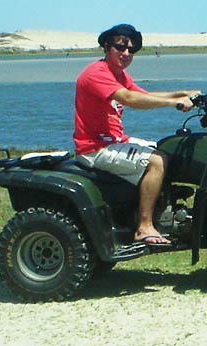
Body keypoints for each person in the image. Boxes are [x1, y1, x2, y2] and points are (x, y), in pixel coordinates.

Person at [73, 23, 198, 245]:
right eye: (120, 47)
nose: (126, 53)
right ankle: (144, 226)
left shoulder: (119, 74)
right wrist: (173, 103)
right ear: (106, 46)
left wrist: (182, 92)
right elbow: (130, 99)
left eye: (132, 49)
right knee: (156, 162)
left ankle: (165, 212)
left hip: (114, 141)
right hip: (95, 148)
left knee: (165, 148)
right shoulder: (97, 73)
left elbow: (144, 95)